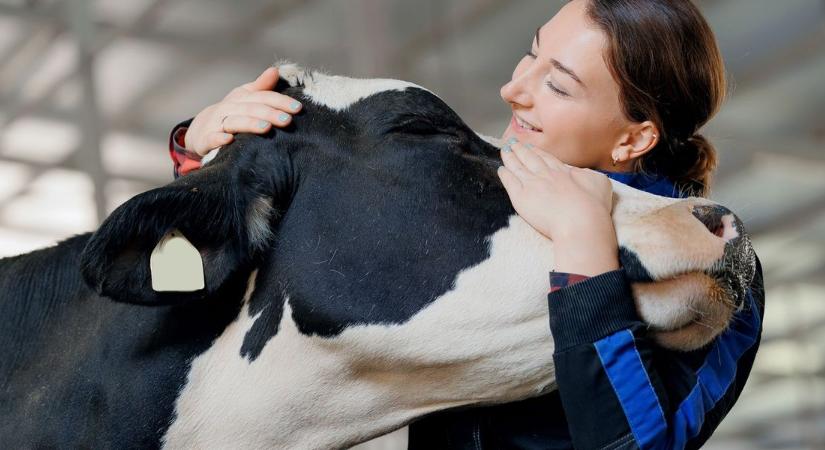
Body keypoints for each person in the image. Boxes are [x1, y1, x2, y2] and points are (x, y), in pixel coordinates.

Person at [166, 1, 765, 448]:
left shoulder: (708, 253)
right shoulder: (488, 186)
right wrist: (203, 150)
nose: (513, 89)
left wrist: (585, 246)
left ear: (635, 137)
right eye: (532, 52)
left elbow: (636, 443)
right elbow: (289, 258)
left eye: (557, 84)